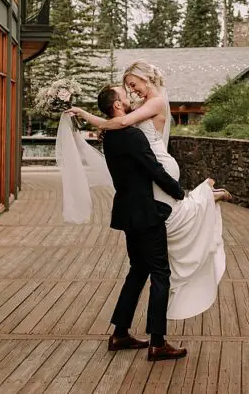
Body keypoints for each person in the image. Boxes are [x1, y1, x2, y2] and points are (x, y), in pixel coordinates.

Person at [62, 61, 228, 325]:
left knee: (164, 229)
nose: (132, 90)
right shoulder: (135, 113)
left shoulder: (155, 103)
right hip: (149, 188)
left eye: (133, 84)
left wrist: (91, 118)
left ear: (145, 78)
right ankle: (205, 196)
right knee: (161, 242)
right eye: (127, 87)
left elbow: (120, 121)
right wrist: (87, 115)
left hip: (151, 179)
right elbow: (119, 121)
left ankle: (206, 196)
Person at [93, 85, 187, 362]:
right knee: (160, 273)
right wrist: (179, 192)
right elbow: (153, 168)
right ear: (117, 106)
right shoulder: (132, 135)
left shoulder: (110, 135)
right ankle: (158, 343)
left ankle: (120, 333)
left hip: (126, 211)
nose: (129, 97)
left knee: (138, 270)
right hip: (145, 213)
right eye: (124, 95)